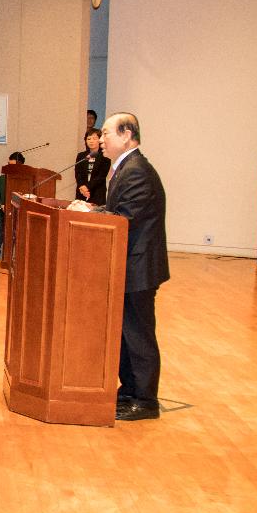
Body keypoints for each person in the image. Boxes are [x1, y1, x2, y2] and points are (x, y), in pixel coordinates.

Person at [100, 112, 170, 422]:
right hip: (126, 267)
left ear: (127, 134)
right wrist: (92, 209)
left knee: (138, 335)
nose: (101, 139)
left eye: (106, 133)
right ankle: (129, 391)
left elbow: (124, 219)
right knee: (126, 335)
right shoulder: (124, 168)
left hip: (138, 269)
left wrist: (95, 215)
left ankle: (145, 400)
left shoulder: (136, 171)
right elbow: (119, 211)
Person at [0, 151, 25, 260]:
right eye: (8, 164)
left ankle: (10, 265)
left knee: (14, 244)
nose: (9, 167)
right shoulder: (1, 179)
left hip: (17, 217)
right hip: (2, 215)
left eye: (12, 165)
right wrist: (1, 205)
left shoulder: (24, 181)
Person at [75, 127, 110, 205]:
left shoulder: (105, 156)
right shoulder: (81, 156)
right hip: (81, 193)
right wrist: (82, 188)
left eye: (94, 138)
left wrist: (87, 187)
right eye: (89, 139)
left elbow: (101, 176)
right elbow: (78, 174)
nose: (91, 141)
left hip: (97, 193)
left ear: (99, 140)